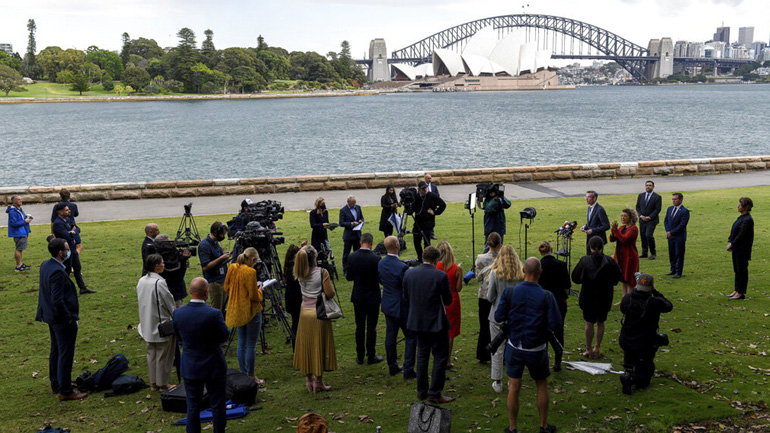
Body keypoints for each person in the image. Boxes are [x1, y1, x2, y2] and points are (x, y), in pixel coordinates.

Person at [495, 257, 562, 433]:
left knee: (514, 386)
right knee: (541, 384)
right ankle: (543, 425)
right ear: (540, 273)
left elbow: (498, 317)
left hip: (515, 346)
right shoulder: (547, 296)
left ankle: (512, 427)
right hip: (537, 348)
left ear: (524, 270)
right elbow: (556, 324)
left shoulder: (510, 293)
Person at [173, 277, 229, 433]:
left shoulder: (178, 313)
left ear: (190, 292)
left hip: (191, 364)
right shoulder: (214, 314)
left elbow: (179, 337)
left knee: (192, 406)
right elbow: (224, 335)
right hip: (213, 364)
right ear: (207, 292)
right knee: (217, 404)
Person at [36, 238, 88, 401]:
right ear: (61, 252)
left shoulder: (46, 265)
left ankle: (57, 383)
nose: (69, 251)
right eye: (67, 249)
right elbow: (57, 299)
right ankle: (65, 391)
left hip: (50, 316)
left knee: (56, 350)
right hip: (61, 319)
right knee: (65, 353)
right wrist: (69, 318)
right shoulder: (58, 271)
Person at [403, 246, 455, 404]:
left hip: (417, 321)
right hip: (436, 322)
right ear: (436, 260)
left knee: (422, 354)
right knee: (440, 356)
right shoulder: (440, 276)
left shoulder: (409, 273)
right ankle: (435, 393)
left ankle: (422, 391)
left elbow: (406, 297)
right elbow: (448, 300)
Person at [293, 245, 338, 393]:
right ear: (314, 257)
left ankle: (308, 380)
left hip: (304, 312)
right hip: (318, 313)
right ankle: (318, 381)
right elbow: (330, 293)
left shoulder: (299, 271)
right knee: (319, 345)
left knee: (307, 346)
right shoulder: (321, 272)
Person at [619, 273, 673, 395]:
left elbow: (623, 309)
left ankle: (628, 370)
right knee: (645, 378)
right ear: (651, 287)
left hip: (627, 338)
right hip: (644, 341)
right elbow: (668, 306)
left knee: (631, 356)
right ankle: (632, 378)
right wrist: (656, 292)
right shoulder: (654, 302)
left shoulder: (627, 298)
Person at [571, 236, 622, 359]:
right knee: (600, 322)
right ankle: (597, 347)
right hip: (604, 295)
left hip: (588, 295)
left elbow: (575, 278)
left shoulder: (584, 261)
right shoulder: (609, 261)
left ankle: (588, 348)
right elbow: (618, 277)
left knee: (589, 322)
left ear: (590, 247)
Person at [224, 247, 265, 384]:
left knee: (241, 342)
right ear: (252, 259)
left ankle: (243, 373)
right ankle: (251, 375)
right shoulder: (250, 271)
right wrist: (261, 291)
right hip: (250, 310)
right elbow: (254, 296)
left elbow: (226, 288)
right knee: (251, 345)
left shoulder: (232, 267)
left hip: (237, 309)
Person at [487, 245, 524, 393]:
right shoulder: (520, 274)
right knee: (513, 348)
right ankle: (511, 379)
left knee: (497, 349)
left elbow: (490, 297)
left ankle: (498, 380)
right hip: (515, 316)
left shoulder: (496, 273)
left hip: (498, 315)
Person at [136, 253, 176, 391]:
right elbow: (169, 303)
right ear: (156, 266)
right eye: (162, 263)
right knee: (163, 356)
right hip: (161, 324)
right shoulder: (159, 282)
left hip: (147, 323)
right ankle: (163, 383)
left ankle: (154, 382)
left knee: (151, 354)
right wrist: (176, 316)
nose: (164, 265)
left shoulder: (142, 281)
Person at [378, 235, 416, 378]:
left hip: (388, 303)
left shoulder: (381, 263)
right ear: (397, 246)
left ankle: (392, 366)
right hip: (402, 306)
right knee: (411, 337)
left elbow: (380, 279)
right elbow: (407, 287)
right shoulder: (402, 267)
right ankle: (408, 368)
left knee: (390, 336)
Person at [346, 233, 383, 365]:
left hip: (359, 295)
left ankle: (360, 355)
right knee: (371, 328)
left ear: (361, 242)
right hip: (372, 296)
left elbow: (349, 277)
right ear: (371, 243)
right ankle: (371, 355)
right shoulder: (376, 258)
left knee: (360, 326)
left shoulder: (352, 257)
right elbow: (380, 278)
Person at [537, 241, 571, 372]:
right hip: (558, 301)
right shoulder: (561, 265)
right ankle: (558, 361)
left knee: (542, 330)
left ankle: (543, 360)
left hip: (542, 302)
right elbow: (567, 284)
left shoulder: (539, 266)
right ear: (551, 249)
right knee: (558, 331)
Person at [52, 203, 95, 295]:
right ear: (61, 212)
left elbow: (77, 229)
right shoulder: (58, 223)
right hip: (66, 251)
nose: (69, 211)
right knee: (66, 271)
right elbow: (67, 236)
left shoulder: (67, 220)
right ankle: (63, 291)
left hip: (72, 248)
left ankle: (82, 288)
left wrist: (73, 231)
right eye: (67, 210)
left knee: (77, 268)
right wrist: (72, 232)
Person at [474, 232, 502, 364]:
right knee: (500, 325)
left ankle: (483, 354)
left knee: (484, 325)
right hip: (499, 294)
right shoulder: (504, 258)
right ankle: (499, 353)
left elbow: (478, 277)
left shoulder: (480, 258)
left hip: (484, 294)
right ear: (500, 244)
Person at [435, 241, 463, 369]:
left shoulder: (435, 267)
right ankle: (447, 359)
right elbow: (458, 288)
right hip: (452, 301)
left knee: (438, 329)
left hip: (438, 300)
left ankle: (438, 356)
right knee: (450, 333)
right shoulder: (456, 268)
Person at [198, 222, 231, 311]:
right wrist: (221, 258)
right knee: (216, 308)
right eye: (222, 234)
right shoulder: (205, 245)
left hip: (222, 279)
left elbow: (216, 257)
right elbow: (205, 266)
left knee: (223, 306)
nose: (223, 236)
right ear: (215, 232)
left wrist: (224, 256)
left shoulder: (215, 242)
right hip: (214, 281)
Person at [727, 197, 754, 300]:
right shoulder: (741, 218)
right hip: (737, 248)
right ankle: (737, 290)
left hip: (742, 249)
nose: (738, 206)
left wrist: (732, 244)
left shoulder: (747, 219)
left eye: (740, 205)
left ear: (745, 207)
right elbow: (734, 231)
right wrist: (730, 241)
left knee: (741, 270)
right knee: (737, 270)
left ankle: (741, 292)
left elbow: (741, 235)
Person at [610, 208, 640, 300]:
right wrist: (613, 230)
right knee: (623, 278)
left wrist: (616, 231)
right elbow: (612, 239)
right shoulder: (622, 227)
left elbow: (624, 239)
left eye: (625, 216)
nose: (622, 218)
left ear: (631, 217)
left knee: (629, 279)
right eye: (622, 216)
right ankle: (624, 299)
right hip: (620, 256)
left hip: (629, 257)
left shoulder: (633, 229)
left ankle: (630, 300)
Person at [154, 234, 191, 307]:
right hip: (174, 291)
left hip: (160, 291)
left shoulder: (155, 255)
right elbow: (178, 275)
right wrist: (183, 260)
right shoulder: (172, 256)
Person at [412, 181, 446, 262]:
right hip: (418, 223)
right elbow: (412, 208)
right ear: (419, 189)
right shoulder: (416, 197)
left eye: (425, 188)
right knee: (416, 241)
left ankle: (427, 259)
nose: (424, 190)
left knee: (426, 242)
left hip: (428, 223)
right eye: (423, 189)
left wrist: (435, 212)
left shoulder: (431, 195)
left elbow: (443, 204)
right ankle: (420, 258)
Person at [663, 193, 690, 279]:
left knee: (679, 254)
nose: (673, 201)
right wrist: (668, 231)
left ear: (680, 200)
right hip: (670, 236)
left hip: (679, 237)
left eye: (675, 199)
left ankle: (679, 272)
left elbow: (682, 225)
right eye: (672, 199)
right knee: (672, 253)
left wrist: (672, 232)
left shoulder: (684, 211)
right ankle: (673, 269)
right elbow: (666, 221)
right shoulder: (669, 209)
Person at [635, 180, 662, 260]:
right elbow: (638, 207)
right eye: (647, 185)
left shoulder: (657, 197)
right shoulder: (641, 196)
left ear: (653, 187)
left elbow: (658, 209)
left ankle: (653, 253)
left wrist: (649, 217)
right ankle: (644, 252)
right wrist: (640, 216)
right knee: (643, 236)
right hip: (642, 219)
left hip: (652, 220)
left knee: (648, 235)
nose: (648, 187)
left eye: (650, 185)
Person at [50, 189, 82, 255]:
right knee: (78, 245)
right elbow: (76, 214)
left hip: (61, 228)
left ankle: (73, 258)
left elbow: (53, 220)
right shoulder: (73, 205)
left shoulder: (57, 206)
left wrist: (52, 232)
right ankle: (75, 258)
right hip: (72, 226)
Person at [283, 244, 303, 348]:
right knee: (297, 325)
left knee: (296, 324)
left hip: (292, 300)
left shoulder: (289, 266)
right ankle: (296, 348)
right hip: (296, 301)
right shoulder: (293, 269)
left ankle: (296, 348)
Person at [6, 195, 32, 272]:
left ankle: (20, 264)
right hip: (18, 233)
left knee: (20, 249)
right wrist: (25, 221)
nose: (21, 200)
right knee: (19, 249)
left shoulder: (19, 209)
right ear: (14, 201)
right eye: (19, 199)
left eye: (21, 199)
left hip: (22, 231)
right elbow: (13, 223)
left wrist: (26, 218)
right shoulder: (13, 211)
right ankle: (18, 266)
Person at [339, 195, 363, 275]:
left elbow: (362, 218)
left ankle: (357, 268)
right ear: (348, 202)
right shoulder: (343, 210)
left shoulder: (358, 208)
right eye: (352, 203)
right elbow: (341, 223)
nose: (354, 204)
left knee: (358, 253)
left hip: (357, 234)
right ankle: (346, 269)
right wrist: (351, 224)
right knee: (346, 253)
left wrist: (360, 221)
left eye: (355, 203)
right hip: (349, 235)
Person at [580, 190, 610, 255]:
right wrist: (585, 226)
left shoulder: (600, 210)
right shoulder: (589, 208)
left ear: (594, 198)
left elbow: (606, 226)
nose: (586, 199)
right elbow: (592, 222)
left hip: (597, 241)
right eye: (586, 197)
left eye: (588, 197)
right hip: (590, 239)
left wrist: (593, 230)